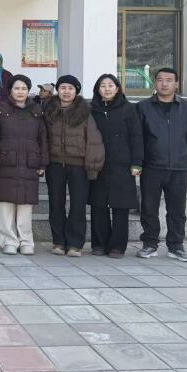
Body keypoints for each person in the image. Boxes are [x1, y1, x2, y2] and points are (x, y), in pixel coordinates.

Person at [136, 67, 187, 262]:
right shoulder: (143, 107)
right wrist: (137, 163)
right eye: (160, 80)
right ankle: (149, 244)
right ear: (155, 82)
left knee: (177, 211)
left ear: (176, 84)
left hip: (179, 167)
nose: (164, 84)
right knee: (149, 208)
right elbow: (137, 138)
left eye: (169, 80)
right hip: (151, 166)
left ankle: (176, 246)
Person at [43, 75, 105, 257]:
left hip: (79, 166)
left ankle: (75, 244)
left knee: (78, 205)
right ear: (57, 90)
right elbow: (43, 137)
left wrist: (93, 165)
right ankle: (58, 241)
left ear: (76, 91)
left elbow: (93, 140)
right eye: (63, 88)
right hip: (55, 164)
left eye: (70, 88)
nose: (66, 92)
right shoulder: (49, 110)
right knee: (56, 204)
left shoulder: (85, 111)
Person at [0, 75, 48, 255]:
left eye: (24, 88)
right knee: (5, 204)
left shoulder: (36, 111)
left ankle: (26, 241)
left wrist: (43, 163)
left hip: (29, 163)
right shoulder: (1, 110)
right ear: (10, 90)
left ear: (28, 91)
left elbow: (43, 139)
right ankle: (8, 241)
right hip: (6, 162)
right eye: (17, 88)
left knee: (25, 205)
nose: (20, 92)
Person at [90, 74, 143, 258]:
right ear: (97, 89)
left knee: (120, 207)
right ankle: (99, 244)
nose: (107, 89)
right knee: (98, 205)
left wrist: (137, 162)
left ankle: (117, 246)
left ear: (118, 88)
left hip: (123, 164)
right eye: (103, 85)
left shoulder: (129, 109)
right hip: (98, 164)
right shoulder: (92, 109)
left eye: (110, 85)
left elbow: (137, 137)